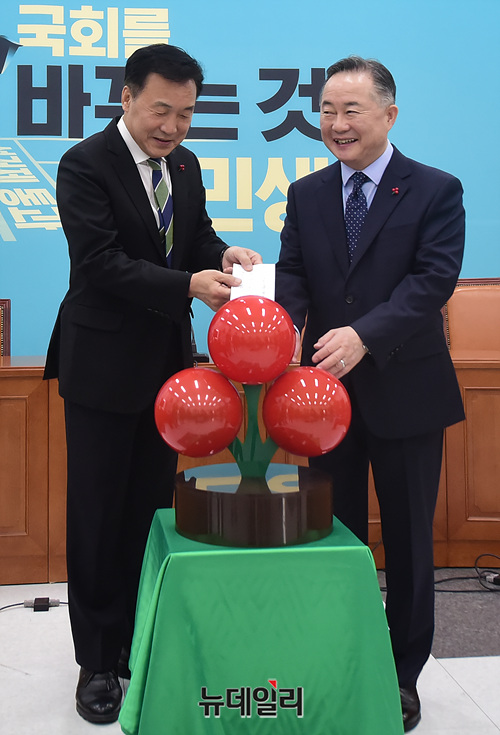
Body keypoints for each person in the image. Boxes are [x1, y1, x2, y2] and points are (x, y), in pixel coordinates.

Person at [44, 43, 261, 724]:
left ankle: (136, 638)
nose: (172, 127)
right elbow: (100, 262)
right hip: (102, 367)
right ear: (127, 98)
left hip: (167, 369)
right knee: (98, 515)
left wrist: (222, 253)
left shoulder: (185, 166)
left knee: (146, 511)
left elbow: (193, 239)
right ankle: (95, 659)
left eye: (186, 114)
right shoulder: (85, 164)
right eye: (161, 110)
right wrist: (187, 285)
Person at [275, 56, 465, 732]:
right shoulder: (307, 193)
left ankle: (402, 673)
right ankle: (341, 654)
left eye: (351, 110)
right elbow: (293, 272)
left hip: (407, 389)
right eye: (327, 110)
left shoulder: (435, 189)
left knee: (410, 542)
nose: (336, 123)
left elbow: (432, 281)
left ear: (389, 114)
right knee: (336, 533)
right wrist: (285, 329)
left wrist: (363, 334)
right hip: (323, 397)